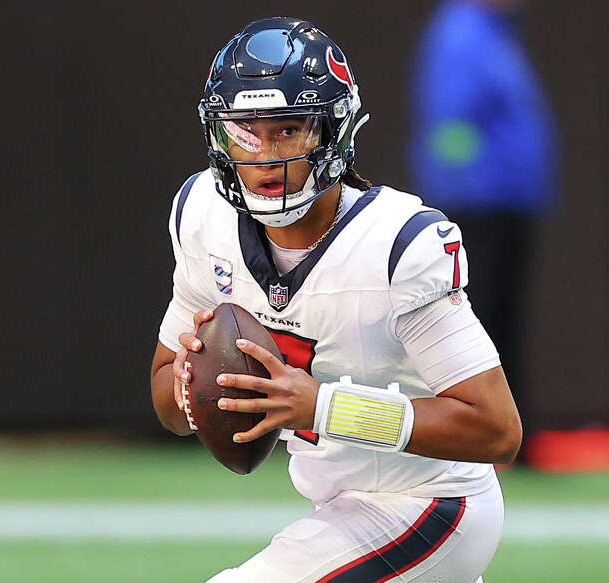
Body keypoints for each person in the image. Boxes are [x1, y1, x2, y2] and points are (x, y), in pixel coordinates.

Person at [151, 17, 522, 582]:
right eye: (246, 132)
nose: (266, 157)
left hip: (432, 503)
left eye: (289, 130)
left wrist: (321, 406)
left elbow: (497, 431)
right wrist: (192, 387)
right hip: (343, 508)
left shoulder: (397, 243)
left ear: (332, 132)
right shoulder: (204, 216)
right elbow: (166, 400)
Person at [407, 0, 557, 443]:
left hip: (506, 202)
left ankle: (510, 440)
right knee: (481, 323)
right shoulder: (462, 33)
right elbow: (449, 125)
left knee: (503, 320)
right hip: (480, 207)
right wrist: (465, 195)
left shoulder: (494, 31)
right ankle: (478, 439)